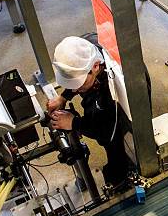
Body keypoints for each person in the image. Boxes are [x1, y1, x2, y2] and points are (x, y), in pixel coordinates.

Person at [47, 35, 131, 186]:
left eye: (80, 83)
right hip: (102, 103)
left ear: (96, 66)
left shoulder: (112, 92)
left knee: (119, 154)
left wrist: (74, 122)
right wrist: (63, 97)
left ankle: (121, 181)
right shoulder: (87, 48)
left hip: (124, 118)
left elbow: (105, 132)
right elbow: (76, 78)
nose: (76, 89)